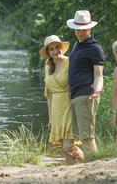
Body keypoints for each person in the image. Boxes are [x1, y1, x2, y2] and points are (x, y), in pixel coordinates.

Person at [39, 35, 84, 164]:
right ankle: (73, 170)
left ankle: (89, 161)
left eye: (58, 47)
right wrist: (51, 118)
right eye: (52, 49)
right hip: (56, 109)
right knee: (64, 148)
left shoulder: (70, 62)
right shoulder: (48, 66)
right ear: (48, 52)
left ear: (62, 48)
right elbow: (49, 94)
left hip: (69, 105)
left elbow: (78, 83)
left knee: (68, 146)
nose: (55, 51)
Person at [66, 10, 105, 156]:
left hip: (87, 95)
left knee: (87, 136)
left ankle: (95, 167)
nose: (80, 32)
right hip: (75, 95)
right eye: (78, 28)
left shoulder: (95, 48)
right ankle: (88, 166)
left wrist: (97, 90)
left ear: (90, 28)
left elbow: (99, 75)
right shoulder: (77, 46)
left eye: (83, 29)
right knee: (80, 137)